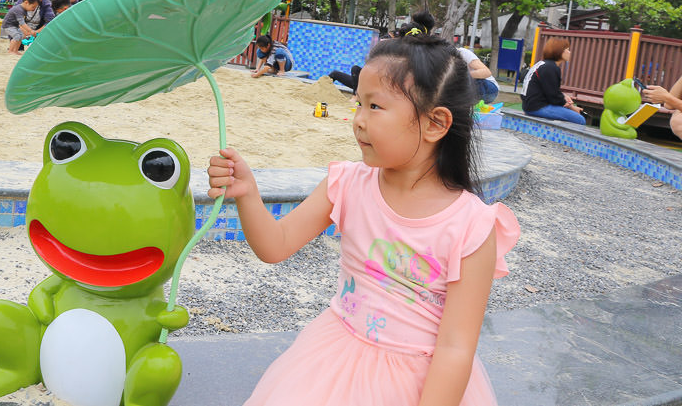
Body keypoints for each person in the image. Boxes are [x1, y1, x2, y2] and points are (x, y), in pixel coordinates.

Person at [207, 32, 519, 406]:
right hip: (330, 361)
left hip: (417, 384)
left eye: (375, 107)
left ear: (436, 123)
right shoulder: (348, 183)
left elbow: (455, 348)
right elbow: (275, 245)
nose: (357, 121)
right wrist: (248, 193)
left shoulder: (471, 226)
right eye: (357, 104)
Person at [520, 37, 585, 125]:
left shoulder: (542, 64)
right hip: (537, 107)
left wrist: (563, 96)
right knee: (580, 120)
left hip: (529, 105)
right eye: (567, 50)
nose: (570, 53)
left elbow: (549, 90)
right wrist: (571, 107)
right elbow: (554, 97)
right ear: (559, 51)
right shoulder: (551, 67)